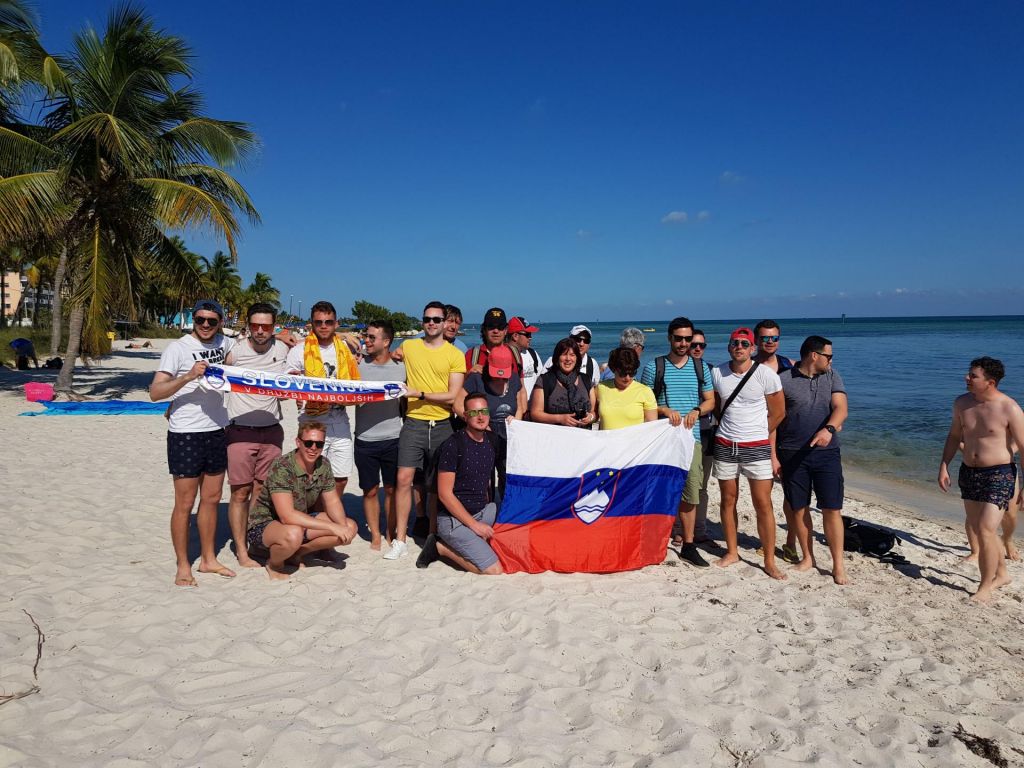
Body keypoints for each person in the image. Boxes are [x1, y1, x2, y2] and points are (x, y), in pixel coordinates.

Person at [149, 299, 236, 587]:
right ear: (194, 320)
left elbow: (247, 362)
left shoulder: (226, 344)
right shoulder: (178, 348)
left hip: (217, 430)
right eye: (201, 320)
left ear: (221, 321)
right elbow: (155, 392)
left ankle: (209, 560)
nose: (206, 325)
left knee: (211, 500)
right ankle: (183, 564)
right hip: (185, 432)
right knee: (185, 503)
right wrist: (188, 376)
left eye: (212, 320)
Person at [938, 356, 1024, 603]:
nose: (967, 378)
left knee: (986, 529)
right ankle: (1003, 574)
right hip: (969, 472)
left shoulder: (1009, 408)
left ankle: (985, 586)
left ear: (990, 382)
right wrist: (944, 465)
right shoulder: (962, 403)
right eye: (969, 374)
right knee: (979, 528)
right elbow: (954, 436)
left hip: (999, 473)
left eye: (973, 376)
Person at [391, 301, 467, 560]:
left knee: (435, 486)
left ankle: (433, 537)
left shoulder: (455, 355)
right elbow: (388, 356)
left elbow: (452, 396)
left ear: (446, 322)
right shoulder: (409, 346)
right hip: (413, 421)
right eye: (427, 319)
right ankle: (399, 539)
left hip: (443, 425)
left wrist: (419, 393)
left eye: (436, 319)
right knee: (403, 479)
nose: (431, 323)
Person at [639, 317, 715, 566]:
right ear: (669, 338)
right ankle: (658, 538)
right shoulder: (654, 367)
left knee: (691, 492)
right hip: (663, 440)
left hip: (690, 439)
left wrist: (697, 410)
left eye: (687, 338)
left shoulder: (700, 367)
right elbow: (645, 402)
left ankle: (689, 544)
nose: (683, 343)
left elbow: (710, 401)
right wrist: (663, 409)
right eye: (678, 338)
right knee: (660, 490)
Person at [712, 327, 787, 580]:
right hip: (725, 444)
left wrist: (757, 434)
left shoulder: (766, 375)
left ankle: (769, 560)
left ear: (753, 348)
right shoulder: (717, 373)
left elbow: (778, 413)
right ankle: (732, 552)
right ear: (729, 346)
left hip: (756, 447)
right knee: (728, 500)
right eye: (735, 343)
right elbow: (713, 405)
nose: (740, 347)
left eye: (745, 343)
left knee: (763, 504)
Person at [774, 336, 849, 585]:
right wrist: (773, 456)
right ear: (814, 355)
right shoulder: (784, 380)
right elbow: (773, 420)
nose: (831, 360)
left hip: (827, 454)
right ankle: (808, 558)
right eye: (828, 356)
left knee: (832, 508)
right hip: (791, 452)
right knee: (798, 508)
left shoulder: (832, 376)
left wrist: (828, 429)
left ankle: (838, 565)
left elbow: (841, 409)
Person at [246, 422, 358, 580]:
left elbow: (332, 501)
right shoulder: (282, 467)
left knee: (350, 527)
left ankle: (298, 552)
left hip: (298, 521)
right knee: (293, 534)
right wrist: (333, 527)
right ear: (298, 442)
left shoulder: (323, 464)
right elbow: (287, 516)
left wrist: (341, 528)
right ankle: (274, 564)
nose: (313, 448)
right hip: (265, 524)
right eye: (308, 443)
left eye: (319, 444)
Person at [224, 303, 290, 569]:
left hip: (272, 431)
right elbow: (212, 378)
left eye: (266, 326)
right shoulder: (235, 352)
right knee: (239, 493)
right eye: (255, 326)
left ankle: (255, 541)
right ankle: (240, 549)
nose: (260, 331)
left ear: (274, 327)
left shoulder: (283, 349)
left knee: (262, 492)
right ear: (248, 326)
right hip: (240, 431)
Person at [417, 393, 504, 574]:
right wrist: (475, 526)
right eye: (474, 413)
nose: (480, 417)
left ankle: (472, 539)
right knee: (493, 569)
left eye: (484, 411)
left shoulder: (492, 441)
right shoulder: (453, 445)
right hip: (453, 520)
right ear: (465, 416)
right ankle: (440, 547)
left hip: (483, 512)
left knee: (511, 531)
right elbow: (444, 494)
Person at [286, 300, 361, 499]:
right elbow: (287, 383)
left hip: (340, 419)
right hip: (311, 420)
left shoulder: (347, 348)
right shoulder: (299, 351)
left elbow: (375, 356)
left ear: (336, 324)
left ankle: (328, 513)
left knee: (341, 477)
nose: (324, 326)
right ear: (312, 324)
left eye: (328, 322)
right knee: (310, 475)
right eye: (319, 322)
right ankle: (314, 516)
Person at [354, 319, 406, 551]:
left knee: (392, 490)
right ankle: (375, 534)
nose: (367, 340)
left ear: (386, 342)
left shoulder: (401, 367)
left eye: (372, 337)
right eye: (366, 336)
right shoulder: (357, 365)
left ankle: (389, 531)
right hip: (365, 438)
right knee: (370, 489)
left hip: (394, 437)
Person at [455, 344, 527, 500]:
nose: (500, 378)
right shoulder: (476, 379)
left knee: (507, 477)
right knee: (484, 480)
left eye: (503, 375)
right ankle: (485, 512)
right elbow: (458, 404)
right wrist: (476, 422)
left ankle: (505, 514)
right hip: (483, 435)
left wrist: (516, 420)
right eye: (496, 374)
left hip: (507, 437)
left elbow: (520, 406)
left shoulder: (514, 379)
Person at [530, 337, 597, 428]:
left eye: (572, 355)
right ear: (557, 357)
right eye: (564, 354)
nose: (568, 359)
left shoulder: (586, 380)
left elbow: (594, 411)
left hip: (583, 437)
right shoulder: (545, 380)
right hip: (554, 437)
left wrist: (591, 417)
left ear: (577, 358)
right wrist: (560, 419)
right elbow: (535, 414)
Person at [688, 329, 717, 542]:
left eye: (702, 345)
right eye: (694, 344)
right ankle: (680, 527)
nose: (697, 348)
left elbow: (718, 403)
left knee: (702, 485)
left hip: (706, 433)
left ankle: (700, 527)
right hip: (681, 434)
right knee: (682, 484)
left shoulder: (711, 371)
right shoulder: (672, 369)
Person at [597, 347, 657, 429]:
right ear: (613, 369)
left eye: (632, 373)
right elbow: (593, 414)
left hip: (636, 441)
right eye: (623, 373)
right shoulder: (600, 388)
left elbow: (651, 427)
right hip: (606, 441)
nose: (627, 378)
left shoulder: (645, 392)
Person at [465, 307, 523, 376]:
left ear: (506, 330)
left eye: (500, 327)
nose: (496, 331)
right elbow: (460, 385)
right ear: (484, 330)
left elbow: (521, 385)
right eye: (491, 326)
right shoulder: (472, 355)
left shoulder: (515, 353)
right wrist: (469, 374)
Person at [541, 325, 601, 389]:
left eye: (586, 341)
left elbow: (595, 389)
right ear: (569, 340)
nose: (581, 344)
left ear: (589, 344)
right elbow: (542, 385)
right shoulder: (552, 361)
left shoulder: (592, 364)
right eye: (578, 339)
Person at [508, 316, 542, 400]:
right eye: (527, 334)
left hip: (532, 407)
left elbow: (540, 380)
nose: (530, 337)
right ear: (515, 336)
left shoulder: (532, 353)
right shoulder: (504, 356)